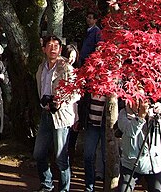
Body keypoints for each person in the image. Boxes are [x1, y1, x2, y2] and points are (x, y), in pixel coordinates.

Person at [33, 34, 79, 192]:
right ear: (44, 49)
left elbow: (77, 92)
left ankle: (64, 189)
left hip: (61, 116)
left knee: (60, 157)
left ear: (60, 49)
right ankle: (47, 183)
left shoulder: (66, 68)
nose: (53, 49)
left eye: (56, 46)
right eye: (49, 45)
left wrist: (61, 101)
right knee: (39, 153)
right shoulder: (41, 67)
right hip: (45, 114)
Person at [117, 98, 161, 192]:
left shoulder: (155, 112)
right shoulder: (124, 113)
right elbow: (130, 132)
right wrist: (140, 117)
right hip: (131, 163)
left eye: (143, 99)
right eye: (136, 99)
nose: (140, 102)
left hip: (154, 164)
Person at [82, 94, 107, 192]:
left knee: (107, 158)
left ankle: (107, 188)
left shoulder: (115, 81)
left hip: (107, 126)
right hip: (92, 124)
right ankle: (89, 188)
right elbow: (84, 102)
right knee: (88, 156)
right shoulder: (90, 81)